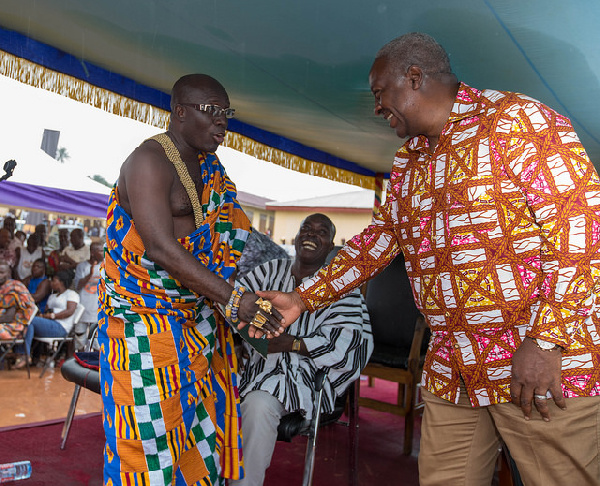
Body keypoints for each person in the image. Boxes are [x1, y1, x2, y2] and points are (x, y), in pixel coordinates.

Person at [260, 33, 600, 485]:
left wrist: (547, 341)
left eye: (380, 93)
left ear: (415, 78)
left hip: (534, 362)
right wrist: (302, 300)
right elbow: (377, 242)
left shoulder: (517, 121)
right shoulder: (408, 162)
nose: (377, 108)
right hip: (452, 369)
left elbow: (581, 231)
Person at [98, 73, 283, 486]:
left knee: (195, 439)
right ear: (179, 112)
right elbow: (161, 248)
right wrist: (235, 300)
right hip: (142, 329)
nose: (222, 123)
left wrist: (263, 299)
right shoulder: (148, 161)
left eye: (227, 114)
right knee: (146, 448)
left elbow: (231, 243)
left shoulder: (211, 169)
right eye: (211, 111)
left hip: (195, 324)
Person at [230, 214, 373, 486]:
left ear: (331, 244)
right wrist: (240, 335)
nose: (311, 234)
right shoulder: (270, 270)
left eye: (321, 232)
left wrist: (292, 343)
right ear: (296, 238)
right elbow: (234, 303)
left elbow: (351, 343)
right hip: (252, 367)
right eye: (305, 229)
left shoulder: (340, 287)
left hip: (307, 379)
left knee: (258, 405)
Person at [23, 270, 80, 362]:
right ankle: (25, 355)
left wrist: (52, 316)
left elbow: (70, 311)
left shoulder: (71, 294)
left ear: (61, 282)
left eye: (54, 280)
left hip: (61, 327)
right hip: (49, 325)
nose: (51, 283)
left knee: (31, 321)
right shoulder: (52, 296)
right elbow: (46, 311)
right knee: (29, 324)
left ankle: (24, 354)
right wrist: (43, 315)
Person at [0, 260, 36, 369]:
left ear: (8, 273)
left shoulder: (15, 288)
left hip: (14, 326)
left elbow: (9, 317)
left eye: (1, 272)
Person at [73, 241, 103, 350]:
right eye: (100, 250)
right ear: (93, 252)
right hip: (83, 308)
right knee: (80, 338)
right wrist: (90, 274)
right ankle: (81, 360)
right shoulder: (82, 266)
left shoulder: (105, 266)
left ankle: (94, 363)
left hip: (98, 309)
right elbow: (78, 285)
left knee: (97, 341)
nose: (103, 252)